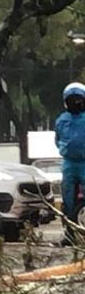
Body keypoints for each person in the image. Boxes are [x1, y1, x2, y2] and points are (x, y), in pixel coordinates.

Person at [55, 82, 85, 243]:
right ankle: (69, 233)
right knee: (68, 199)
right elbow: (58, 139)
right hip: (69, 163)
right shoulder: (62, 119)